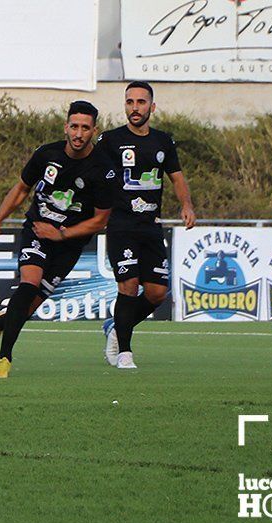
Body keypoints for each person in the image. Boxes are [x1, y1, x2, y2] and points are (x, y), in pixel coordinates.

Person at [0, 101, 113, 379]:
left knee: (27, 308)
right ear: (66, 127)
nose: (78, 133)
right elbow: (21, 189)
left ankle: (2, 320)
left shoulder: (102, 168)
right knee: (28, 284)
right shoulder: (46, 154)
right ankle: (4, 358)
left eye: (85, 128)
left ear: (94, 130)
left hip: (69, 245)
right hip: (37, 231)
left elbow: (100, 220)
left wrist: (61, 233)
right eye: (74, 126)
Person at [95, 81, 196, 369]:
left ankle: (116, 327)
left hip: (151, 226)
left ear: (151, 107)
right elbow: (96, 178)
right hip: (121, 225)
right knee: (127, 286)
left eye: (140, 102)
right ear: (125, 106)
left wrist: (186, 205)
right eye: (130, 102)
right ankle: (124, 352)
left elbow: (176, 177)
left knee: (156, 293)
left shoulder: (163, 141)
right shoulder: (110, 141)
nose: (134, 108)